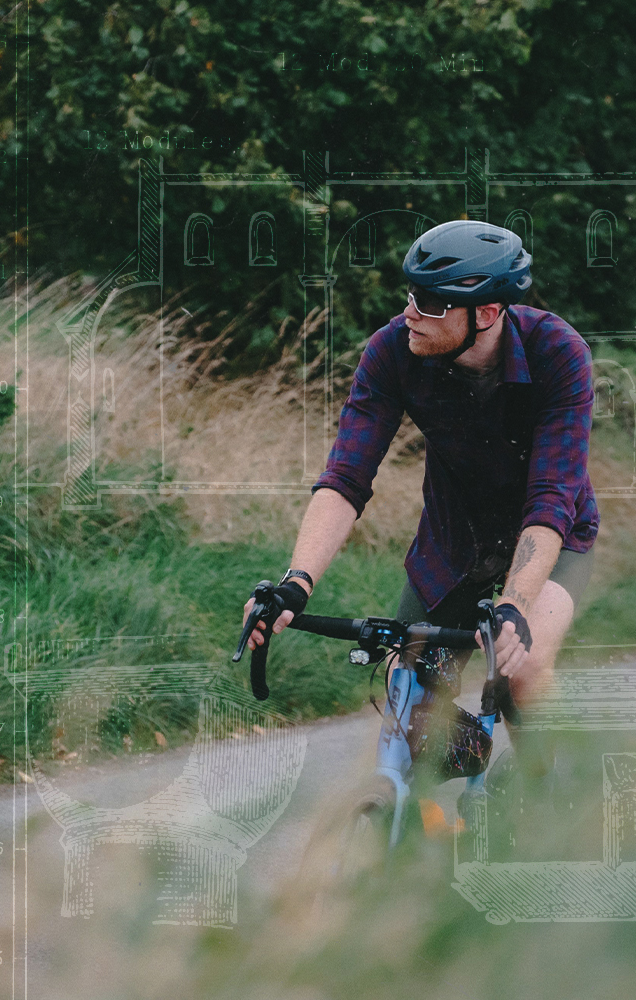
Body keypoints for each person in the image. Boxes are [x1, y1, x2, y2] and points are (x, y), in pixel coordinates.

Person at [242, 219, 598, 705]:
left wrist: (512, 604)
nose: (410, 313)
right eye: (411, 294)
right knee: (405, 688)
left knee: (522, 667)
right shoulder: (392, 350)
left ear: (488, 312)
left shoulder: (558, 352)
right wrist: (296, 583)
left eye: (430, 303)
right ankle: (451, 764)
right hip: (454, 536)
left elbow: (551, 499)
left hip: (551, 538)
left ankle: (543, 784)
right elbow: (345, 478)